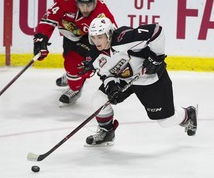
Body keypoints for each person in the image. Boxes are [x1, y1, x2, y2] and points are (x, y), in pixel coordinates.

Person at [79, 17, 197, 146]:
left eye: (100, 36)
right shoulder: (95, 55)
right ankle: (107, 132)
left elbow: (156, 31)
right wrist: (112, 87)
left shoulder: (123, 38)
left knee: (165, 122)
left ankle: (187, 113)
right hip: (124, 79)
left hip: (149, 78)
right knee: (99, 99)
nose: (96, 41)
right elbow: (106, 75)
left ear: (109, 34)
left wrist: (157, 58)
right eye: (94, 37)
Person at [33, 0, 118, 106]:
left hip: (91, 38)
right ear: (76, 1)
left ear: (95, 1)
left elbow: (112, 37)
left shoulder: (102, 14)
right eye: (82, 5)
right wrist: (41, 39)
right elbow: (49, 18)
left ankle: (75, 88)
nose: (85, 9)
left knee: (74, 64)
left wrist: (95, 59)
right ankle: (71, 75)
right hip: (70, 34)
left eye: (89, 5)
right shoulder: (65, 0)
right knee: (67, 57)